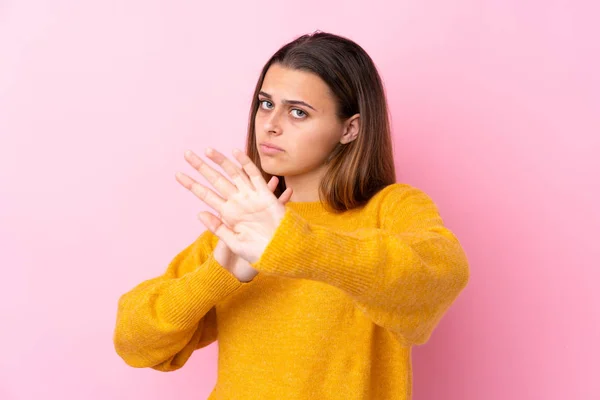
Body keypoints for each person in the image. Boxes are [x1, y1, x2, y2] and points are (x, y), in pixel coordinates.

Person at [113, 31, 470, 400]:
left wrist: (296, 246)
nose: (271, 124)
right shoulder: (244, 224)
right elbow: (134, 342)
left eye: (298, 112)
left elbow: (442, 274)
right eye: (266, 104)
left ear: (350, 129)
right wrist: (216, 277)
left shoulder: (391, 208)